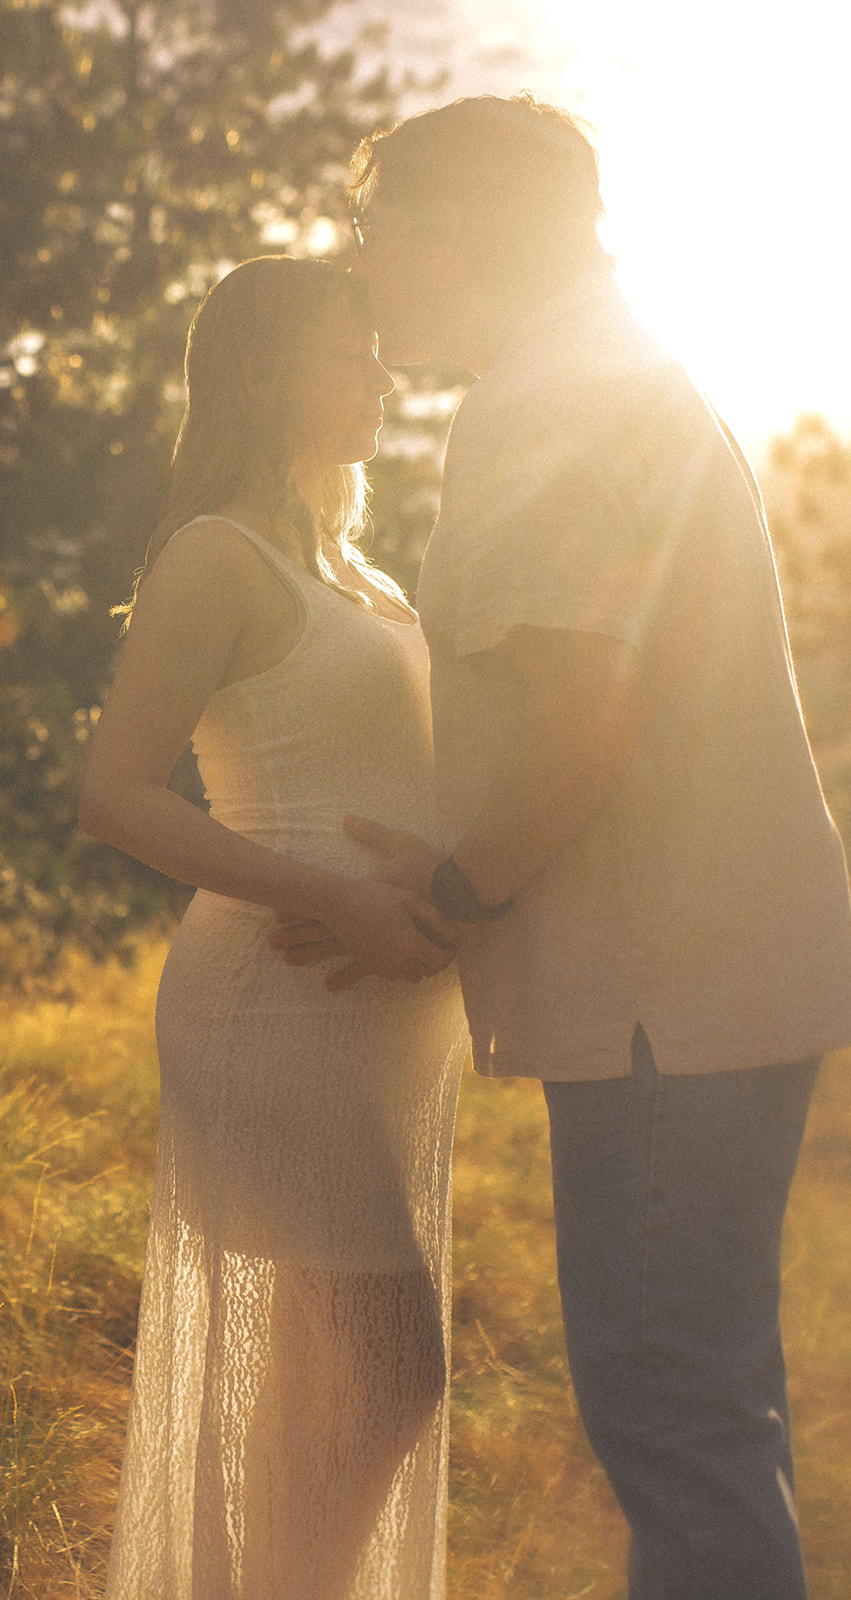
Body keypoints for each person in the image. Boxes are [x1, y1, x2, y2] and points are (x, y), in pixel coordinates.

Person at [279, 95, 851, 1598]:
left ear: (457, 228)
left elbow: (585, 714)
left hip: (664, 989)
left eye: (374, 226)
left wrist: (455, 894)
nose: (363, 265)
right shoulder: (612, 372)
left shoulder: (548, 400)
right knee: (709, 1416)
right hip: (703, 972)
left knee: (676, 1423)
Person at [79, 255, 470, 1600]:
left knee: (319, 1384)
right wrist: (336, 899)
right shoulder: (215, 556)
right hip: (277, 998)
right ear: (261, 375)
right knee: (395, 1369)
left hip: (376, 1023)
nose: (381, 374)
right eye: (347, 352)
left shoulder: (357, 568)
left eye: (379, 349)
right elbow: (112, 793)